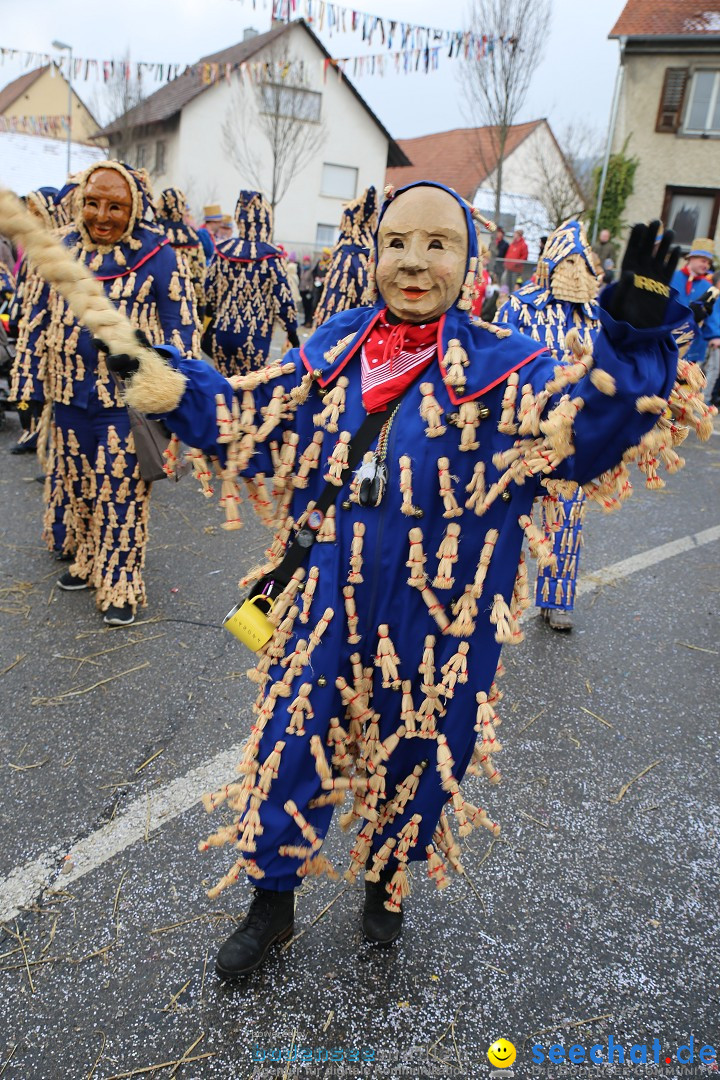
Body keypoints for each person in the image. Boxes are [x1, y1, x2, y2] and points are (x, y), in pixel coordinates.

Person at [96, 180, 715, 982]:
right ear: (374, 251)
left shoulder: (510, 372)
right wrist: (167, 382)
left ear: (470, 261)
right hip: (325, 606)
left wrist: (631, 340)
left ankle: (387, 886)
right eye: (396, 243)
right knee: (292, 745)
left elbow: (588, 440)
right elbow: (252, 425)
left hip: (443, 625)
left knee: (418, 755)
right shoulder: (335, 350)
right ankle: (270, 905)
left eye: (438, 244)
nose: (414, 263)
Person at [19, 161, 200, 625]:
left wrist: (149, 355)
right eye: (93, 203)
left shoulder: (160, 255)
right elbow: (36, 319)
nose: (102, 215)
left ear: (133, 207)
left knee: (120, 494)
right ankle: (86, 558)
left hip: (126, 406)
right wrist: (29, 386)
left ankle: (121, 581)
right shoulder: (59, 248)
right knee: (77, 487)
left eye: (115, 206)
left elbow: (184, 330)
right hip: (67, 398)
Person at [495, 219, 602, 630]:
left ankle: (556, 599)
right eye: (568, 262)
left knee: (568, 515)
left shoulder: (594, 316)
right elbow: (500, 356)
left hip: (573, 435)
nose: (577, 272)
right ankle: (492, 594)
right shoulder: (519, 306)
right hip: (523, 431)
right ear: (551, 264)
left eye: (582, 263)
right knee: (508, 513)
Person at [203, 190, 299, 377]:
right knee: (248, 393)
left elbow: (210, 291)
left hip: (223, 331)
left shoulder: (223, 251)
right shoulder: (272, 256)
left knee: (224, 389)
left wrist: (210, 315)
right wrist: (292, 332)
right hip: (254, 337)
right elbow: (283, 301)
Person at [313, 187, 377, 327]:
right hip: (369, 329)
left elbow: (334, 306)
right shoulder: (375, 254)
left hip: (344, 335)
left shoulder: (347, 255)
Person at [155, 187, 206, 320]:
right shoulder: (192, 236)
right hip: (185, 303)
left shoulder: (152, 233)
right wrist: (200, 308)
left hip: (154, 301)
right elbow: (199, 277)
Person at [299, 255, 315, 326]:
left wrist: (310, 291)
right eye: (304, 261)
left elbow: (312, 281)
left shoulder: (311, 270)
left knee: (309, 307)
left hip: (308, 291)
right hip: (302, 290)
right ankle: (305, 321)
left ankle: (309, 322)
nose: (305, 263)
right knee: (304, 307)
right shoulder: (303, 270)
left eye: (307, 261)